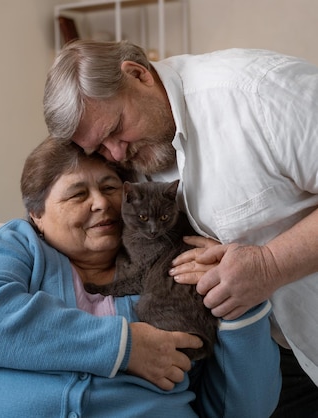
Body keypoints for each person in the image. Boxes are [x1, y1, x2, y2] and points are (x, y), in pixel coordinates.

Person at [43, 39, 318, 416]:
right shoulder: (134, 154)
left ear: (137, 75)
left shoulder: (255, 93)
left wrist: (269, 264)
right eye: (101, 149)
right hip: (274, 359)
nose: (118, 154)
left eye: (117, 129)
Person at [0, 137, 280, 417]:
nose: (101, 203)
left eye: (111, 188)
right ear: (36, 214)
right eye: (77, 194)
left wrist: (240, 299)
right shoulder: (18, 246)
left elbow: (244, 410)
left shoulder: (177, 268)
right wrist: (124, 347)